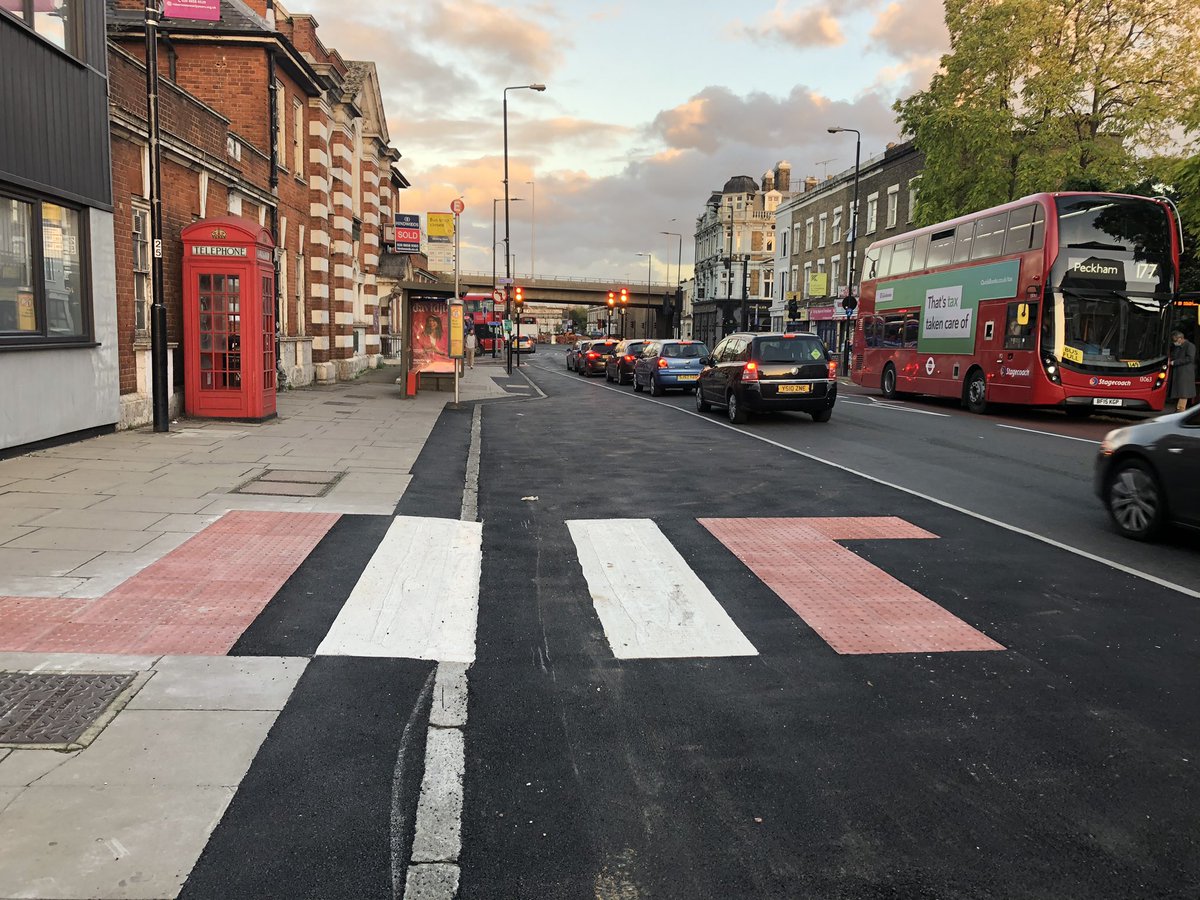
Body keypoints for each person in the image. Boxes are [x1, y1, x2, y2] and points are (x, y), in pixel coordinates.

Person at [1167, 329, 1196, 413]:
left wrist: (1174, 362)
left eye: (1175, 340)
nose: (1174, 342)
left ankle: (1180, 410)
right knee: (1180, 392)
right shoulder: (1177, 347)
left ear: (1180, 338)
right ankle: (1178, 409)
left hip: (1185, 373)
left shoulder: (1190, 346)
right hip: (1179, 372)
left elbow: (1190, 358)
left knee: (1184, 392)